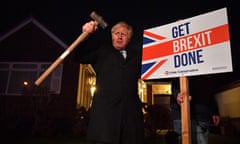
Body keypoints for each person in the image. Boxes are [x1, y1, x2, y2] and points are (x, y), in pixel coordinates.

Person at [73, 21, 144, 144]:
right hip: (105, 119)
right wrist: (85, 34)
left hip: (130, 121)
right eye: (117, 33)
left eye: (124, 34)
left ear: (129, 38)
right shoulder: (101, 51)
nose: (120, 36)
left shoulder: (137, 56)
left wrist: (174, 31)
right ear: (112, 36)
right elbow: (77, 55)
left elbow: (157, 70)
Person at [170, 76, 221, 144]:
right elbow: (175, 80)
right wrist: (178, 94)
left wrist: (214, 110)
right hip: (182, 113)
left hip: (200, 113)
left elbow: (209, 87)